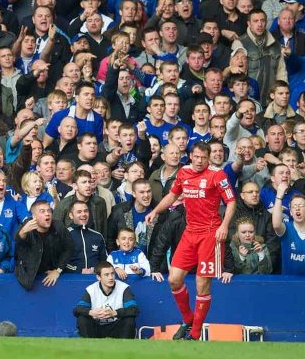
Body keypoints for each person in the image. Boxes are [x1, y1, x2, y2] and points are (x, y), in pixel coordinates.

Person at [145, 141, 236, 340]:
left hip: (210, 234)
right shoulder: (183, 173)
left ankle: (194, 334)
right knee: (173, 279)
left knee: (202, 283)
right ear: (191, 156)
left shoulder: (217, 175)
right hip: (190, 232)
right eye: (196, 157)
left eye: (204, 157)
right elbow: (172, 195)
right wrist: (154, 211)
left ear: (208, 157)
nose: (200, 161)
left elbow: (231, 201)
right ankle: (188, 319)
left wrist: (224, 226)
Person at [14, 200, 74, 290]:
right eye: (42, 211)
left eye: (49, 211)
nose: (47, 214)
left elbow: (69, 248)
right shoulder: (26, 226)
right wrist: (23, 232)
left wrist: (58, 270)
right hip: (29, 275)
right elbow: (18, 241)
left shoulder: (58, 226)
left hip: (52, 273)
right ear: (34, 216)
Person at [73, 261, 139, 339]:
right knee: (82, 319)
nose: (111, 277)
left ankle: (124, 348)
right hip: (97, 327)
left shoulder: (123, 288)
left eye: (112, 274)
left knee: (129, 320)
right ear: (98, 277)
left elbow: (134, 310)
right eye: (106, 275)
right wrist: (92, 312)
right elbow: (77, 310)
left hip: (116, 326)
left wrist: (114, 313)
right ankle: (89, 347)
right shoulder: (91, 289)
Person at [65, 200, 108, 274]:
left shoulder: (97, 236)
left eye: (86, 211)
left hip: (95, 279)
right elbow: (59, 262)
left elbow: (104, 261)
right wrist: (79, 270)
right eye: (79, 212)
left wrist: (95, 270)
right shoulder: (64, 234)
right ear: (71, 216)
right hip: (72, 279)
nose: (83, 214)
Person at [272, 184, 305, 275]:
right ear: (290, 212)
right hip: (289, 283)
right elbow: (276, 225)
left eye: (301, 205)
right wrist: (279, 197)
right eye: (294, 206)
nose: (297, 208)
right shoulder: (286, 228)